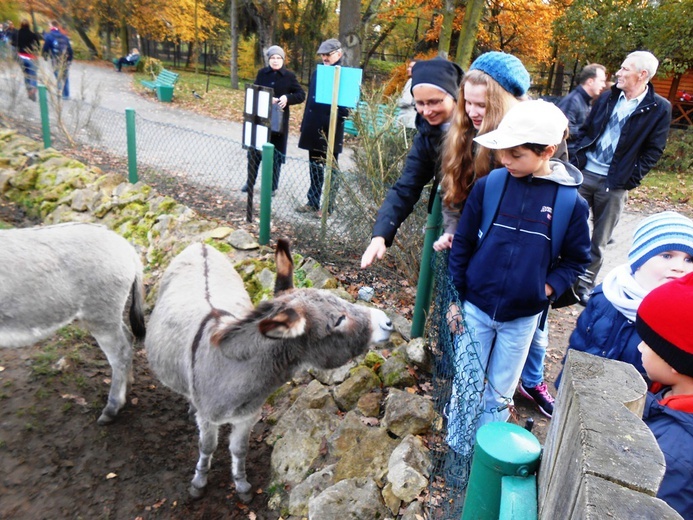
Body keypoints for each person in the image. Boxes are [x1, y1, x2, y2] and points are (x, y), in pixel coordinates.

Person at [446, 100, 590, 436]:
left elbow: (577, 259)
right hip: (476, 307)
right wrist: (458, 294)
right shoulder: (489, 186)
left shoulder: (570, 204)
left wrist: (546, 288)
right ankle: (457, 446)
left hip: (522, 317)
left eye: (516, 154)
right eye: (502, 152)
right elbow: (464, 241)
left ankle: (486, 452)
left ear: (547, 151)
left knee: (499, 390)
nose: (504, 160)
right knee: (466, 379)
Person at [569, 51, 672, 306]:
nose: (619, 73)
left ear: (642, 75)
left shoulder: (659, 108)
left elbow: (654, 150)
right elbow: (585, 130)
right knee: (570, 229)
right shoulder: (607, 97)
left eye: (625, 69)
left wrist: (631, 178)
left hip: (614, 183)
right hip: (585, 173)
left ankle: (583, 285)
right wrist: (576, 158)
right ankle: (564, 279)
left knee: (599, 239)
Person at [558, 211, 693, 386]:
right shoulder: (606, 295)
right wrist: (566, 381)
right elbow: (580, 342)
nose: (679, 267)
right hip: (584, 390)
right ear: (639, 261)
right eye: (667, 256)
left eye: (689, 259)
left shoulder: (683, 318)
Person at [360, 57, 463, 268]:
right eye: (420, 103)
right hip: (452, 230)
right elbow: (406, 187)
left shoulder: (477, 127)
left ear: (454, 96)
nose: (426, 111)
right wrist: (380, 235)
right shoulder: (426, 133)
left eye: (435, 102)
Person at [636, 272, 693, 519]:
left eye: (648, 343)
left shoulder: (672, 455)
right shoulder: (667, 392)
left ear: (676, 362)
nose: (639, 347)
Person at [242, 45, 305, 195]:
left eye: (278, 58)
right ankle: (250, 182)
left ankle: (272, 186)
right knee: (254, 152)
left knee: (275, 156)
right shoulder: (262, 73)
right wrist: (265, 98)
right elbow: (254, 91)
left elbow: (301, 95)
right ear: (268, 59)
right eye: (272, 58)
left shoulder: (289, 76)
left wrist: (286, 98)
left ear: (283, 60)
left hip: (279, 122)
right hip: (260, 120)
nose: (275, 61)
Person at [296, 38, 348, 217]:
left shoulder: (346, 73)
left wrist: (339, 114)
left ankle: (327, 207)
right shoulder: (317, 72)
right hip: (313, 126)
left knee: (331, 170)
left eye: (328, 54)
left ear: (339, 54)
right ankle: (312, 201)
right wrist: (305, 124)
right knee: (314, 167)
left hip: (331, 129)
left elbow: (347, 107)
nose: (325, 58)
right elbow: (310, 99)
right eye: (323, 55)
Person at [557, 63, 607, 155]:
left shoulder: (584, 100)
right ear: (590, 81)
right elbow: (564, 131)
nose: (604, 85)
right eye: (601, 81)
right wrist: (588, 130)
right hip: (568, 155)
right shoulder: (573, 101)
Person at [42, 20, 73, 100]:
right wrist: (70, 59)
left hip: (55, 60)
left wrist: (45, 56)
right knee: (65, 77)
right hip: (65, 60)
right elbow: (70, 49)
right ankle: (66, 95)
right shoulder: (64, 37)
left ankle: (59, 91)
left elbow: (45, 48)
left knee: (58, 76)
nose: (48, 28)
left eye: (49, 26)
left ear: (52, 26)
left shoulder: (49, 36)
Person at [15, 20, 41, 101]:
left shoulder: (18, 33)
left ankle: (28, 89)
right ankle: (33, 90)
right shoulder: (32, 34)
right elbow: (38, 45)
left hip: (21, 56)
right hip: (31, 56)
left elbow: (15, 44)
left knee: (26, 74)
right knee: (33, 74)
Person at [396, 59, 417, 129]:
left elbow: (406, 101)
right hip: (410, 122)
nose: (408, 69)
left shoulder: (412, 81)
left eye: (411, 67)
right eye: (408, 67)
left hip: (409, 122)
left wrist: (397, 101)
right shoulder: (414, 81)